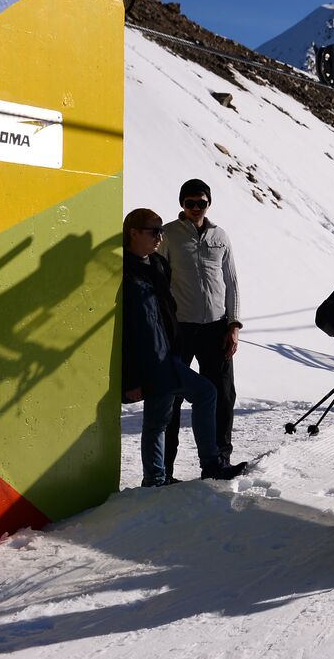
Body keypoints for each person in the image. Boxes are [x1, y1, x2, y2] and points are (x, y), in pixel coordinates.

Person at [120, 208, 225, 487]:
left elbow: (167, 310)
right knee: (165, 417)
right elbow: (123, 330)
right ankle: (161, 477)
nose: (159, 237)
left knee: (172, 413)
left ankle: (162, 477)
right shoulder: (121, 269)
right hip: (146, 360)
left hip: (166, 356)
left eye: (161, 231)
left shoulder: (156, 263)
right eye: (154, 231)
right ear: (133, 232)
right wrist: (130, 378)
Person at [158, 179, 248, 482]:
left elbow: (231, 281)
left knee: (223, 394)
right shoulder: (168, 234)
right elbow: (159, 280)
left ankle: (218, 461)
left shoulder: (220, 235)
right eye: (190, 203)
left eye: (201, 203)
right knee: (172, 397)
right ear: (182, 204)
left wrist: (233, 324)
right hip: (180, 327)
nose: (196, 208)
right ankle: (164, 469)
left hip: (216, 327)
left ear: (208, 204)